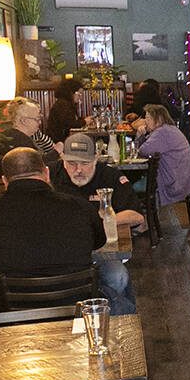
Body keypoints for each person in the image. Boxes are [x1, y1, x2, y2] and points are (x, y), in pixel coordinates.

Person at [0, 148, 135, 316]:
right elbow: (99, 241)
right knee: (123, 300)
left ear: (4, 181)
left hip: (9, 312)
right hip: (76, 305)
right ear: (46, 173)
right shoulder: (79, 207)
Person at [48, 134, 140, 312]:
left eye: (85, 163)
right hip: (59, 252)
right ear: (62, 159)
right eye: (72, 163)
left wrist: (98, 221)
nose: (78, 170)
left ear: (96, 159)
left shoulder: (110, 176)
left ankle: (110, 318)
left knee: (117, 276)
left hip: (101, 252)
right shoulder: (50, 174)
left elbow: (136, 216)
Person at [133, 103, 190, 210]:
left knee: (131, 187)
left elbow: (143, 150)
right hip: (184, 179)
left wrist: (140, 135)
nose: (145, 122)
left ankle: (143, 219)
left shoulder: (162, 133)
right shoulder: (168, 129)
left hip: (173, 182)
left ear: (158, 119)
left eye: (148, 118)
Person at [46, 78, 83, 146]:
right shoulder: (62, 105)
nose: (80, 97)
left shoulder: (67, 104)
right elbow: (70, 124)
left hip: (64, 141)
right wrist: (85, 121)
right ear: (70, 92)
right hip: (59, 144)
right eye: (79, 93)